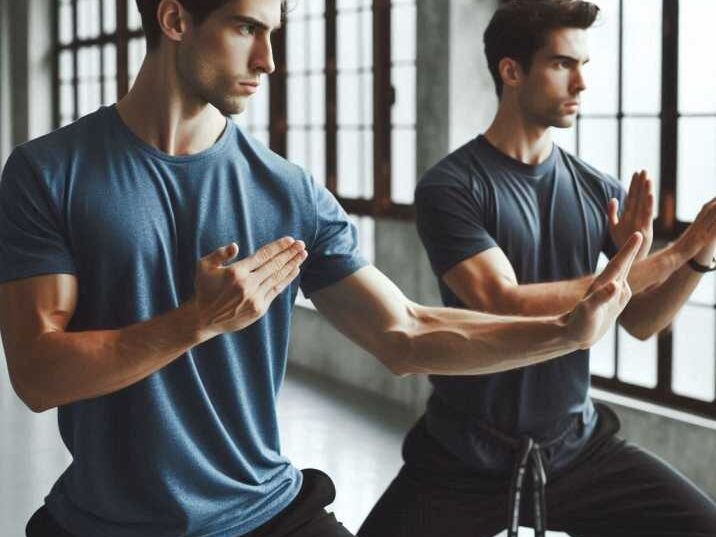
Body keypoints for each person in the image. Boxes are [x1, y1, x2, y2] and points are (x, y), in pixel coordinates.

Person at [0, 1, 640, 536]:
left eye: (273, 34)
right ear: (174, 19)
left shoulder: (287, 192)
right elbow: (36, 374)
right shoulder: (48, 173)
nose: (268, 61)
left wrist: (564, 332)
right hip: (103, 523)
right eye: (247, 28)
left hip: (265, 511)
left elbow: (406, 333)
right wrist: (193, 324)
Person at [358, 1, 716, 537]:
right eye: (561, 64)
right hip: (464, 456)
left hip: (574, 447)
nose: (580, 84)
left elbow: (641, 322)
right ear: (511, 70)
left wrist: (700, 256)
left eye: (584, 66)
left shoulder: (598, 190)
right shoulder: (451, 187)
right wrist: (671, 252)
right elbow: (502, 301)